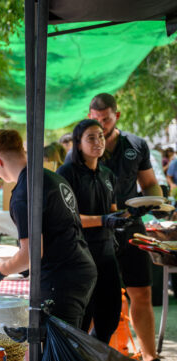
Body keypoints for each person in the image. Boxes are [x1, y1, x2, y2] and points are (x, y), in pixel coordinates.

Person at [87, 93, 177, 361]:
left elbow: (149, 182)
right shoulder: (83, 142)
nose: (101, 126)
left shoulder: (136, 145)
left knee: (141, 293)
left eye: (106, 120)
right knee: (93, 297)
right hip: (96, 231)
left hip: (131, 227)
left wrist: (154, 198)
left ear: (117, 116)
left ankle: (150, 359)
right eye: (95, 120)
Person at [0, 130, 97, 328]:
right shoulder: (52, 178)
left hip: (62, 278)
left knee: (60, 351)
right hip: (81, 267)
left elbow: (31, 254)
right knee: (72, 344)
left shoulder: (23, 193)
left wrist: (0, 271)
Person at [57, 119, 130, 344]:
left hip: (107, 253)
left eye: (100, 136)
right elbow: (67, 217)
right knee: (80, 318)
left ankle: (96, 360)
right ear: (78, 144)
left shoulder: (108, 175)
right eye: (91, 137)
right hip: (79, 255)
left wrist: (131, 215)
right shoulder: (66, 173)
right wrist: (104, 220)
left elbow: (113, 212)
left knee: (109, 316)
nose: (98, 141)